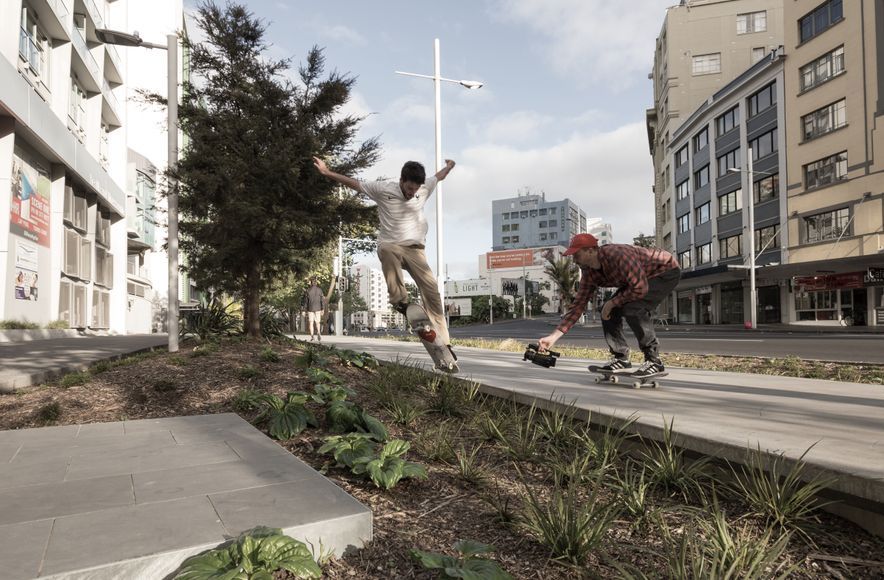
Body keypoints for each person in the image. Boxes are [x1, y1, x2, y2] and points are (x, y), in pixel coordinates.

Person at [313, 156, 457, 358]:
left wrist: (449, 166)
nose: (411, 193)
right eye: (408, 188)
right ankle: (399, 301)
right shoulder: (383, 189)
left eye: (415, 189)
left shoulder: (424, 188)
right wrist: (328, 172)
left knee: (432, 292)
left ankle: (444, 344)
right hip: (390, 245)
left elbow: (438, 177)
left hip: (415, 249)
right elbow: (355, 184)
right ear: (401, 180)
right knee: (389, 251)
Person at [538, 234, 681, 379]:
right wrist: (553, 337)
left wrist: (612, 303)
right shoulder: (589, 274)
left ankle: (654, 361)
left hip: (664, 270)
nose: (574, 260)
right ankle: (621, 358)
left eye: (577, 254)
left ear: (591, 250)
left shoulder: (618, 255)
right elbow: (577, 307)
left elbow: (640, 289)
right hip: (640, 279)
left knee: (633, 308)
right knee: (607, 311)